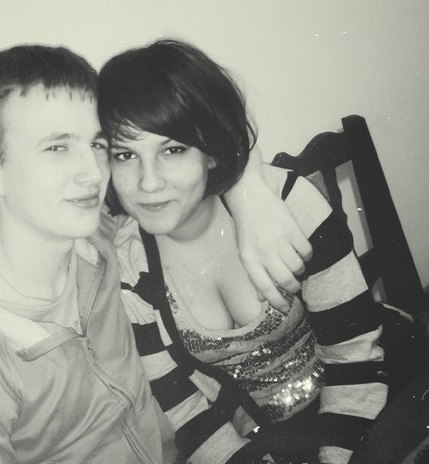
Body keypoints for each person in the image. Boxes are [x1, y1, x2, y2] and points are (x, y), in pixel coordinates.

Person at [0, 44, 311, 463]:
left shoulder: (101, 236)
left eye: (99, 146)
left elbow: (204, 121)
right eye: (57, 147)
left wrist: (250, 194)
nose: (93, 173)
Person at [97, 39, 391, 464]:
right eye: (125, 154)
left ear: (211, 154)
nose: (148, 182)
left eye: (173, 149)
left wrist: (335, 458)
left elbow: (353, 357)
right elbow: (186, 409)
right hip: (262, 444)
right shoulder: (129, 269)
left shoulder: (287, 206)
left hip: (366, 405)